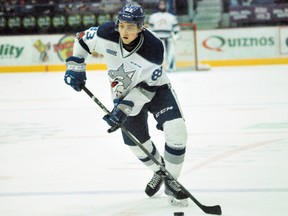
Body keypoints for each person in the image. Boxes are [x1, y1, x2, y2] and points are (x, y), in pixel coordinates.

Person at [64, 3, 188, 205]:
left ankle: (172, 182)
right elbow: (82, 39)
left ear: (141, 27)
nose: (124, 31)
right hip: (124, 94)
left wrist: (122, 109)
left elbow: (148, 89)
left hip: (156, 90)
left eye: (130, 27)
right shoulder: (106, 33)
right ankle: (160, 170)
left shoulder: (154, 48)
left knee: (177, 131)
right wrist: (76, 65)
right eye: (121, 25)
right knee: (135, 143)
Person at [148, 0, 180, 72]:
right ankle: (157, 68)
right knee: (158, 55)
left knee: (170, 54)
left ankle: (170, 68)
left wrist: (176, 36)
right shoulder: (153, 17)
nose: (162, 6)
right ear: (158, 6)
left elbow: (176, 29)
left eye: (163, 4)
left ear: (166, 5)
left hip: (168, 38)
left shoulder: (171, 17)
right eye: (161, 4)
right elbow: (150, 29)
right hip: (157, 38)